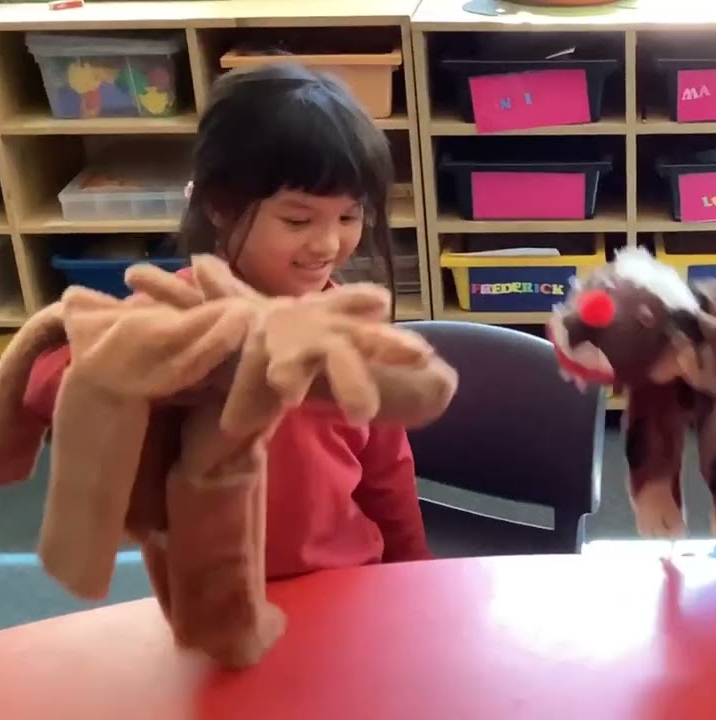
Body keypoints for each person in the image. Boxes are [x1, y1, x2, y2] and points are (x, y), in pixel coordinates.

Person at [22, 63, 435, 578]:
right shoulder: (181, 315)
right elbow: (48, 380)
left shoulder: (352, 332)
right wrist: (169, 371)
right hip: (215, 596)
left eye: (349, 217)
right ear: (218, 206)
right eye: (298, 220)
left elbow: (386, 476)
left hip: (346, 582)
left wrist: (415, 574)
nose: (329, 244)